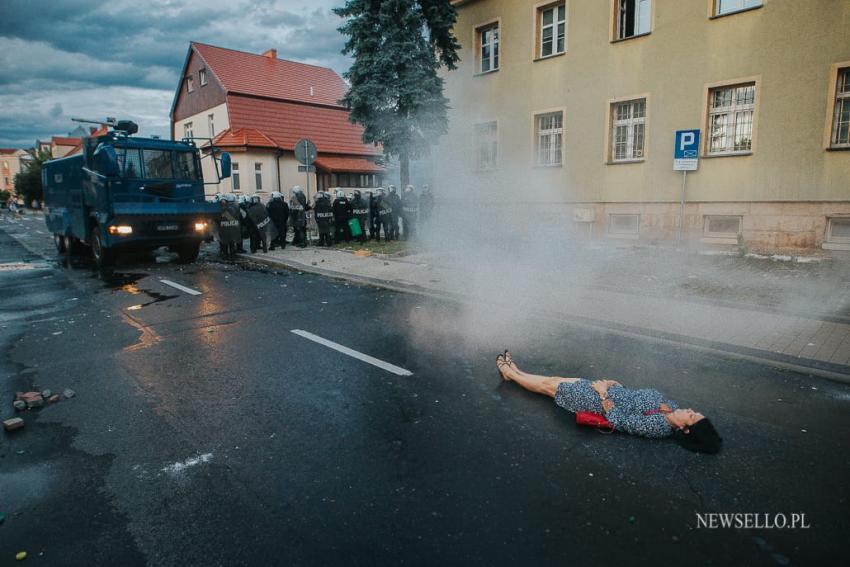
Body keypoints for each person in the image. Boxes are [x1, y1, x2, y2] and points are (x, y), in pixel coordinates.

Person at [495, 352, 722, 453]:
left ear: (684, 429)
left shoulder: (659, 427)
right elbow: (636, 398)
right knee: (557, 379)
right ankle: (517, 370)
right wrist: (617, 385)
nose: (690, 410)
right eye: (695, 412)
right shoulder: (670, 408)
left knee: (548, 387)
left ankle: (510, 374)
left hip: (594, 399)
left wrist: (603, 393)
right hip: (609, 390)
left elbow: (620, 420)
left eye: (692, 416)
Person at [217, 194, 242, 259]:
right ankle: (228, 255)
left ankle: (229, 255)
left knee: (230, 242)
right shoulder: (222, 209)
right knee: (227, 242)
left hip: (228, 228)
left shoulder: (226, 209)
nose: (223, 203)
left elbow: (232, 218)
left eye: (224, 201)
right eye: (222, 202)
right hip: (225, 228)